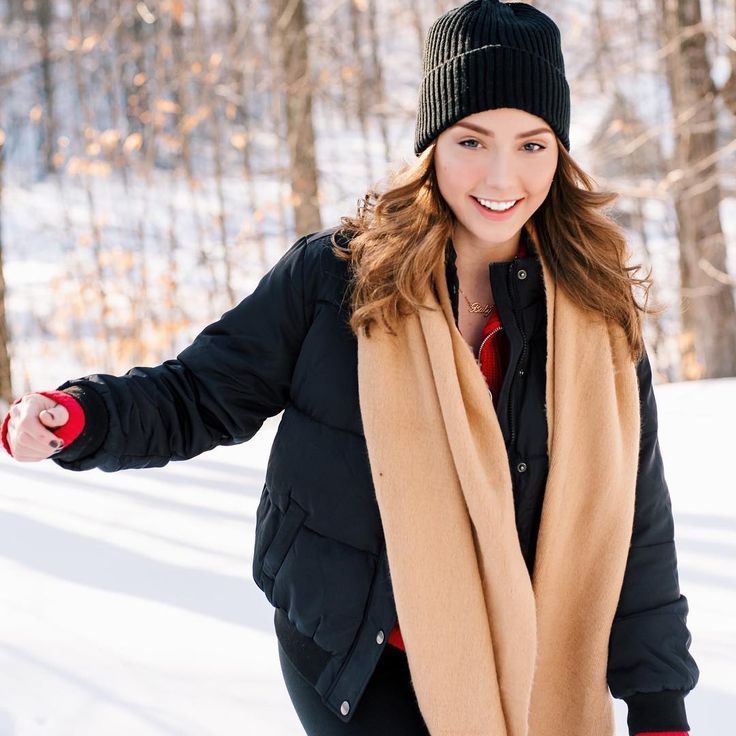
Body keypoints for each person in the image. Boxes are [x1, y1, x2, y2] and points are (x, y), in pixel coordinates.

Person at [2, 1, 699, 735]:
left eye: (531, 144)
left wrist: (659, 705)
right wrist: (83, 418)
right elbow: (202, 393)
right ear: (432, 144)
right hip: (357, 646)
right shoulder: (338, 279)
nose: (503, 174)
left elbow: (635, 519)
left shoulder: (594, 311)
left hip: (531, 656)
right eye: (472, 140)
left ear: (560, 153)